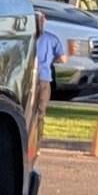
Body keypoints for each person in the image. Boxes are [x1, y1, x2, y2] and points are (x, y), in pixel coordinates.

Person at [31, 10, 64, 147]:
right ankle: (37, 139)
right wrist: (51, 60)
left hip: (28, 78)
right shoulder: (52, 39)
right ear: (44, 21)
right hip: (44, 77)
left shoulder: (29, 38)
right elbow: (62, 58)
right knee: (41, 110)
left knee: (28, 110)